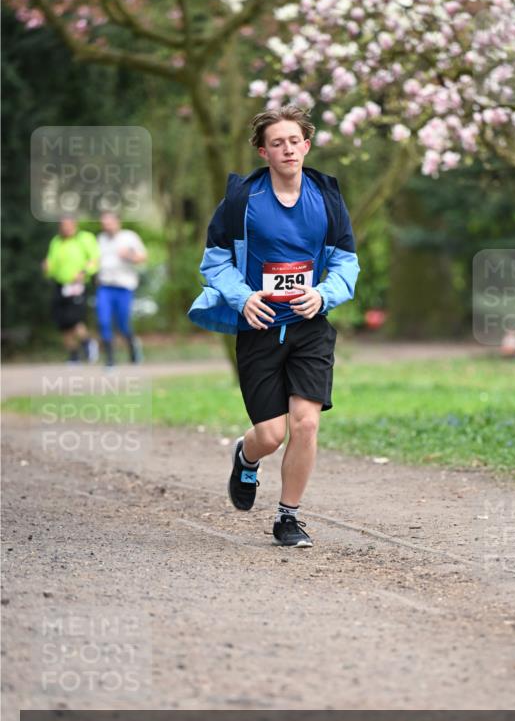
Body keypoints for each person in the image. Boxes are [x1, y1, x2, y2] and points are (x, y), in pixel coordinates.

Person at [189, 104, 360, 548]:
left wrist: (323, 294)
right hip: (260, 326)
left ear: (306, 145)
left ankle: (288, 517)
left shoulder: (326, 199)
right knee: (271, 434)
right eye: (276, 143)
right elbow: (215, 261)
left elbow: (345, 262)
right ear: (263, 151)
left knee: (304, 424)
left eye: (294, 141)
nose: (287, 149)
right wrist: (243, 298)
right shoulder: (244, 201)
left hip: (309, 326)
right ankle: (246, 457)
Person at [43, 217, 100, 363]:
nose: (65, 228)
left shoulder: (85, 238)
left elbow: (95, 259)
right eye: (62, 225)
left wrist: (84, 272)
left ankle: (87, 343)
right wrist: (47, 268)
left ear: (75, 224)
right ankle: (74, 355)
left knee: (75, 319)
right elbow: (51, 264)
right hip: (60, 285)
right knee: (62, 323)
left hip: (77, 285)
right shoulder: (56, 241)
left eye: (68, 225)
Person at [96, 211, 147, 366]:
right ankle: (110, 359)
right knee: (103, 321)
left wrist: (129, 256)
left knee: (122, 323)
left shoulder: (129, 237)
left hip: (124, 286)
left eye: (110, 223)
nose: (107, 226)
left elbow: (143, 257)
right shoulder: (100, 239)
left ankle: (133, 347)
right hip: (104, 286)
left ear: (118, 222)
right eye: (104, 224)